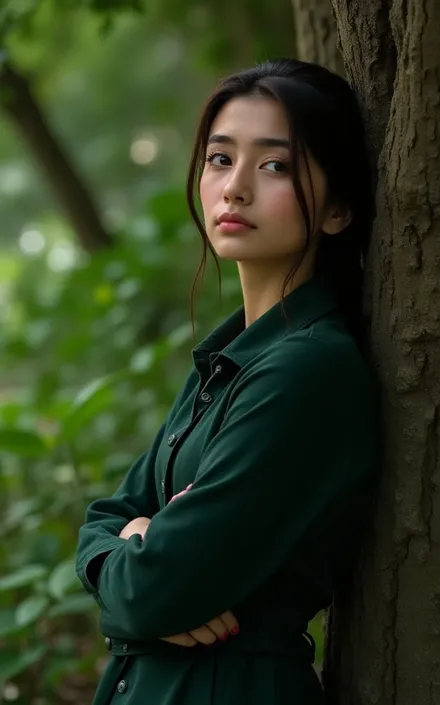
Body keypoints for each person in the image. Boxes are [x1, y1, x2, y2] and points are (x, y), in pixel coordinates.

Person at [75, 57, 379, 705]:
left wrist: (136, 564)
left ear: (338, 208)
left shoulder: (307, 371)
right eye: (219, 159)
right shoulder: (231, 356)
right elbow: (107, 515)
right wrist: (128, 542)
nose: (234, 188)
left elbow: (150, 590)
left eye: (274, 165)